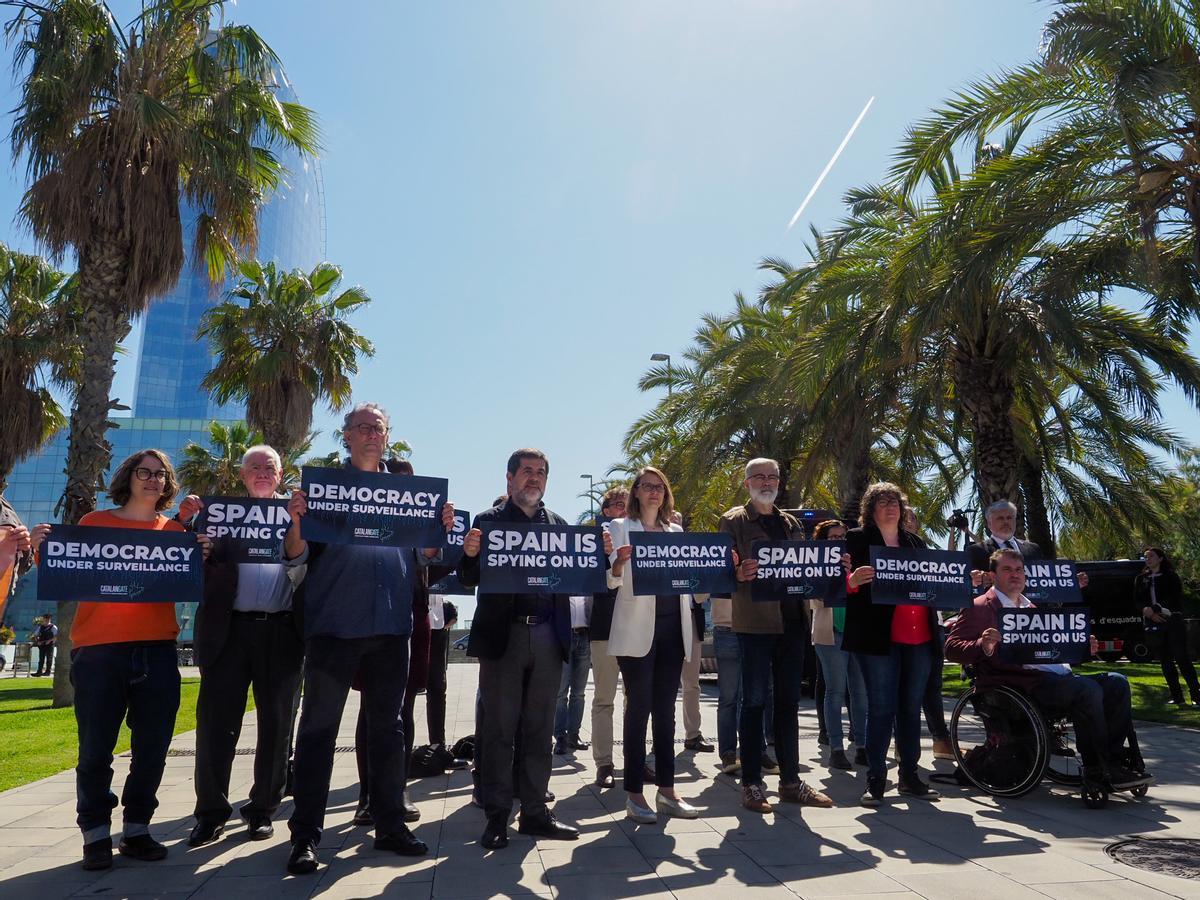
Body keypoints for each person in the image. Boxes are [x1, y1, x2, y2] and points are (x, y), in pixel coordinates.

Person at [281, 403, 456, 875]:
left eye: (377, 427)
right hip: (333, 627)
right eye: (361, 427)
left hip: (392, 627)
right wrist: (297, 521)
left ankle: (390, 824)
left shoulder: (406, 494)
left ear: (387, 436)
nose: (370, 434)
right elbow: (295, 558)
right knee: (318, 731)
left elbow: (426, 557)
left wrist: (438, 528)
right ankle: (305, 836)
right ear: (347, 436)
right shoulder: (322, 491)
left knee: (389, 730)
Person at [31, 449, 210, 871]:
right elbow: (67, 571)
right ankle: (94, 835)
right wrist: (42, 548)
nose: (152, 480)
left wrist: (198, 555)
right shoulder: (94, 524)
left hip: (158, 652)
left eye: (160, 475)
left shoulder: (175, 532)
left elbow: (189, 581)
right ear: (128, 477)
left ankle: (136, 829)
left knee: (153, 749)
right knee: (95, 750)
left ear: (167, 485)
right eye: (144, 472)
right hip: (98, 653)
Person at [458, 449, 588, 850]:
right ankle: (497, 816)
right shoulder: (488, 523)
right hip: (505, 638)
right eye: (527, 472)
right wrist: (470, 554)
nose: (534, 478)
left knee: (539, 729)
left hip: (550, 638)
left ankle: (535, 812)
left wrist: (598, 553)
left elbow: (583, 575)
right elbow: (466, 578)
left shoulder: (560, 526)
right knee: (498, 730)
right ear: (510, 477)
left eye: (541, 473)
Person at [946, 548, 1152, 790]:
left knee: (1117, 682)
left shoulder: (1030, 607)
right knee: (1086, 690)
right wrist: (984, 644)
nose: (1015, 575)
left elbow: (1051, 650)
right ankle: (1097, 769)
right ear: (992, 575)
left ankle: (1114, 761)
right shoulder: (980, 607)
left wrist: (1083, 648)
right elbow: (952, 648)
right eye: (1007, 569)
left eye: (1019, 570)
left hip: (1053, 677)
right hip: (1019, 685)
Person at [181, 445, 305, 847]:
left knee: (277, 725)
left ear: (281, 473)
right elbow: (184, 567)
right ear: (242, 475)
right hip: (227, 631)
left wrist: (297, 524)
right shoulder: (215, 516)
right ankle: (211, 812)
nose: (262, 472)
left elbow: (309, 563)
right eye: (255, 467)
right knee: (216, 725)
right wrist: (191, 539)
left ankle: (262, 809)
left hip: (281, 631)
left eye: (270, 466)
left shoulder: (298, 515)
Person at [721, 458, 833, 814]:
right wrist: (738, 572)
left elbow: (809, 568)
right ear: (746, 483)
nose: (766, 482)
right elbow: (721, 571)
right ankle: (752, 783)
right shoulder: (733, 521)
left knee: (787, 704)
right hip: (755, 624)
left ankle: (789, 781)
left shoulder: (791, 523)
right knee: (753, 702)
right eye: (759, 476)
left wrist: (833, 567)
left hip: (792, 624)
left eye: (772, 476)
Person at [608, 467, 701, 823]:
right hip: (635, 631)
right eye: (647, 486)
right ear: (635, 492)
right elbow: (610, 581)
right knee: (638, 709)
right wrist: (617, 563)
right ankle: (634, 794)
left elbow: (689, 581)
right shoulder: (619, 528)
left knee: (666, 713)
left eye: (660, 487)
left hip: (672, 631)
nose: (654, 492)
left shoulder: (676, 532)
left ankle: (667, 791)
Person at [843, 482, 940, 807]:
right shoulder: (856, 540)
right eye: (881, 502)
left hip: (919, 637)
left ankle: (910, 776)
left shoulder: (916, 542)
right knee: (882, 709)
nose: (889, 507)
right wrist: (852, 582)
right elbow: (835, 583)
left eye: (894, 502)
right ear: (870, 510)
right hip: (877, 638)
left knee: (911, 710)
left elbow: (936, 582)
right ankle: (875, 780)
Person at [809, 519, 866, 771]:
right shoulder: (813, 564)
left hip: (857, 631)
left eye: (843, 536)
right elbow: (814, 595)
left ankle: (862, 745)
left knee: (860, 692)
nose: (839, 540)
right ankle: (836, 748)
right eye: (833, 537)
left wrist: (851, 571)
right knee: (835, 691)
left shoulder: (857, 559)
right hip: (830, 632)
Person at [904, 508, 953, 762]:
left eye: (913, 517)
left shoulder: (926, 553)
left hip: (933, 625)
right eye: (905, 517)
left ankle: (941, 740)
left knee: (933, 686)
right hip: (906, 630)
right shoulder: (890, 554)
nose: (909, 521)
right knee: (907, 692)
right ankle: (905, 747)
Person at [589, 487, 627, 788]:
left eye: (627, 504)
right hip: (604, 626)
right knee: (604, 698)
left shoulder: (643, 534)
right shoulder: (593, 541)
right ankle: (604, 763)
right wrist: (601, 556)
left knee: (637, 699)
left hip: (639, 627)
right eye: (615, 505)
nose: (622, 509)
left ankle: (636, 759)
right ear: (605, 511)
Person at [1136, 547, 1200, 706]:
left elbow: (1174, 597)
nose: (1148, 559)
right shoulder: (1141, 578)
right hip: (1153, 623)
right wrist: (1148, 612)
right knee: (1165, 661)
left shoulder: (1171, 577)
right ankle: (1177, 697)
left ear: (1160, 558)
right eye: (1146, 557)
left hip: (1173, 622)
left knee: (1182, 658)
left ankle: (1196, 696)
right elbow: (1137, 601)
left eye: (1151, 556)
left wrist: (1157, 607)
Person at [554, 595, 592, 755]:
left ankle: (573, 735)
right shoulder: (562, 576)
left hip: (584, 636)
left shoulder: (587, 579)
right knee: (561, 693)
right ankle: (560, 737)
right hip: (564, 636)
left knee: (579, 693)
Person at [967, 500, 1042, 571]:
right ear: (989, 524)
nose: (1006, 522)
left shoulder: (1033, 549)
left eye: (1009, 518)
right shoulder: (975, 551)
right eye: (1000, 518)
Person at [32, 612, 57, 677]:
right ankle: (39, 672)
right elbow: (35, 635)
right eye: (45, 619)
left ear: (49, 619)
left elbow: (56, 636)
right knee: (41, 659)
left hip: (49, 645)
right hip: (42, 645)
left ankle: (47, 672)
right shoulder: (41, 627)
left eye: (47, 619)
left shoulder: (53, 627)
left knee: (49, 659)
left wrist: (50, 641)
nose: (46, 620)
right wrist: (37, 641)